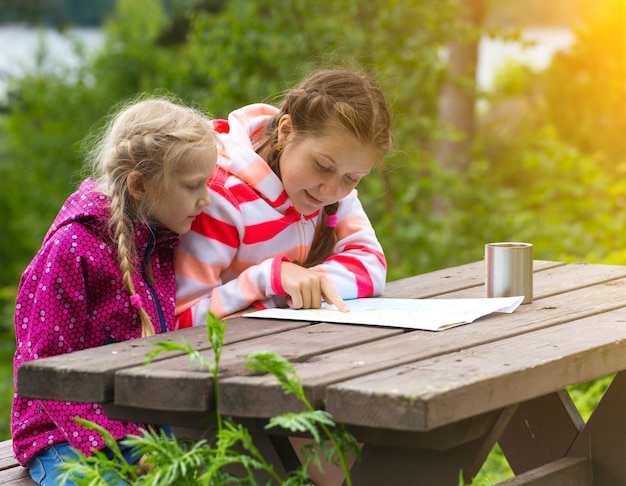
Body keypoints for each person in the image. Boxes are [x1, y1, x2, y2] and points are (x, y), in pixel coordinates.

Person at [11, 97, 220, 485]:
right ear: (140, 185)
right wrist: (114, 443)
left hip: (141, 426)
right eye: (193, 186)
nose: (205, 199)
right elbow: (43, 368)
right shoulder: (73, 247)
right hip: (62, 435)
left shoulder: (156, 242)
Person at [174, 68, 393, 328]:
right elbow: (183, 320)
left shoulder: (332, 197)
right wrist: (268, 278)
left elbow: (372, 266)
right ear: (286, 131)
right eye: (322, 166)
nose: (331, 191)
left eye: (351, 178)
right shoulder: (220, 199)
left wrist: (296, 286)